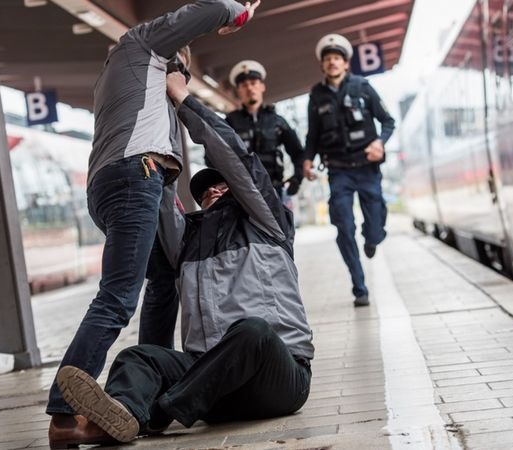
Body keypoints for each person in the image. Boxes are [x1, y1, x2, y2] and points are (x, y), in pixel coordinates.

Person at [48, 71, 314, 448]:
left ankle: (155, 414)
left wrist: (184, 102)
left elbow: (235, 159)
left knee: (252, 331)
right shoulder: (185, 243)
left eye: (223, 185)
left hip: (276, 377)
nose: (214, 191)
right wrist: (157, 122)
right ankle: (119, 416)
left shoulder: (269, 223)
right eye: (205, 191)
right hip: (211, 389)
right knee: (138, 357)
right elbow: (163, 190)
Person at [47, 0, 262, 441]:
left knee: (164, 279)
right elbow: (202, 12)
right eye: (178, 64)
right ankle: (63, 414)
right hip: (134, 177)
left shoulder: (120, 81)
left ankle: (146, 392)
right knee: (119, 296)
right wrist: (237, 13)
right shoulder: (140, 44)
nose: (179, 75)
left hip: (134, 182)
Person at [302, 34, 395, 307]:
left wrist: (380, 142)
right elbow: (313, 137)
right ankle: (359, 287)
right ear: (323, 65)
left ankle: (373, 235)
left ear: (345, 63)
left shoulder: (363, 87)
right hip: (339, 171)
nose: (332, 62)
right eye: (327, 59)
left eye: (337, 58)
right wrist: (307, 160)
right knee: (343, 226)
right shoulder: (316, 96)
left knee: (375, 225)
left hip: (367, 168)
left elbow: (388, 121)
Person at [224, 60, 305, 199]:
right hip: (241, 193)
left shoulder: (277, 121)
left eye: (254, 83)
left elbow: (298, 153)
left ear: (262, 86)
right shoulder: (229, 123)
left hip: (274, 191)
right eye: (244, 85)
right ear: (238, 91)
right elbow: (213, 156)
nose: (250, 88)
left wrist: (298, 177)